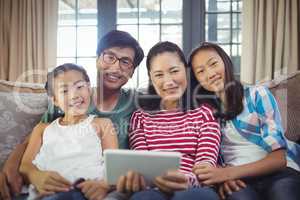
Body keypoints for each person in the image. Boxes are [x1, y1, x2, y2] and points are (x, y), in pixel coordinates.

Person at [0, 30, 144, 199]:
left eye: (125, 62)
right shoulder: (65, 103)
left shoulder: (137, 102)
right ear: (98, 59)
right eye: (109, 57)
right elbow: (32, 141)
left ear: (132, 71)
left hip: (96, 183)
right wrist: (9, 168)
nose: (115, 67)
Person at [188, 42, 300, 200]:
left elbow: (278, 159)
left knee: (283, 193)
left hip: (279, 174)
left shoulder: (256, 95)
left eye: (213, 63)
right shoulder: (204, 114)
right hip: (239, 181)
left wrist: (225, 174)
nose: (210, 73)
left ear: (225, 61)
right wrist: (221, 179)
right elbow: (206, 158)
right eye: (201, 71)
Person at [116, 41, 221, 200]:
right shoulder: (140, 118)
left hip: (194, 188)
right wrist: (153, 182)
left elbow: (206, 165)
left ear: (186, 71)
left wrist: (185, 181)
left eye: (174, 71)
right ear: (151, 78)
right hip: (153, 188)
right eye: (159, 75)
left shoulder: (205, 114)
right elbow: (143, 166)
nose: (168, 81)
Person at [20, 63, 119, 200]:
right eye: (65, 91)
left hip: (85, 190)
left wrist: (103, 185)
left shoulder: (103, 124)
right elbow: (25, 166)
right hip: (49, 191)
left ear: (89, 89)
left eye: (79, 87)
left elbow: (113, 166)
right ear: (54, 100)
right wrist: (35, 176)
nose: (74, 95)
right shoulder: (42, 129)